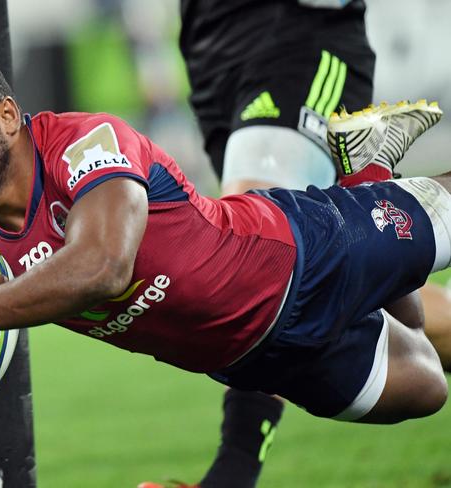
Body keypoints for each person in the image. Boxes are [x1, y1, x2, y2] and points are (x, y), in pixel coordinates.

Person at [0, 47, 448, 467]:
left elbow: (102, 268)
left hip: (300, 255)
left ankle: (367, 186)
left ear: (5, 115)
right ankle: (365, 169)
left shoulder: (85, 142)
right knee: (424, 383)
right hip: (251, 358)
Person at [141, 1, 451, 486]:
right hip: (209, 48)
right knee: (375, 318)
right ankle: (367, 179)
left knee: (248, 261)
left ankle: (235, 471)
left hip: (296, 30)